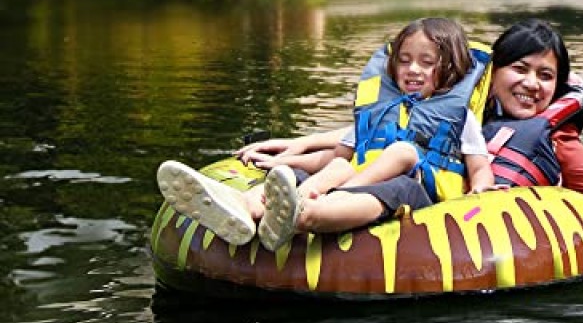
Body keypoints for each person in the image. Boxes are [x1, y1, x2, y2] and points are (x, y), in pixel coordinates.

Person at [236, 18, 583, 260]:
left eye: (547, 76)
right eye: (520, 69)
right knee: (330, 164)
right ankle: (251, 206)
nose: (533, 85)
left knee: (383, 176)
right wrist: (284, 146)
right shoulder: (449, 106)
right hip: (383, 176)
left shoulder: (551, 140)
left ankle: (305, 213)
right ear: (489, 72)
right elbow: (358, 135)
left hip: (433, 211)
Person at [158, 17, 495, 249]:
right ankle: (241, 207)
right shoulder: (378, 112)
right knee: (334, 166)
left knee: (403, 153)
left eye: (426, 62)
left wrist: (480, 191)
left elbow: (479, 166)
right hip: (350, 179)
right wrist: (284, 160)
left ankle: (306, 214)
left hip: (414, 191)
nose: (412, 69)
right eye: (404, 60)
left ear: (451, 69)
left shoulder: (458, 117)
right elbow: (335, 156)